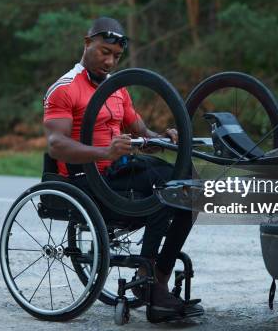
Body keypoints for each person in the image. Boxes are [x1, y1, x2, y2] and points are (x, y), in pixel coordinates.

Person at [43, 17, 200, 321]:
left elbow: (143, 134)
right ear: (86, 42)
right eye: (104, 52)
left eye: (116, 56)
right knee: (163, 197)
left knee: (190, 187)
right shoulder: (64, 89)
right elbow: (56, 145)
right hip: (85, 181)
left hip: (119, 172)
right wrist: (105, 151)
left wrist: (163, 138)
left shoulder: (118, 89)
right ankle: (153, 287)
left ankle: (157, 276)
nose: (109, 61)